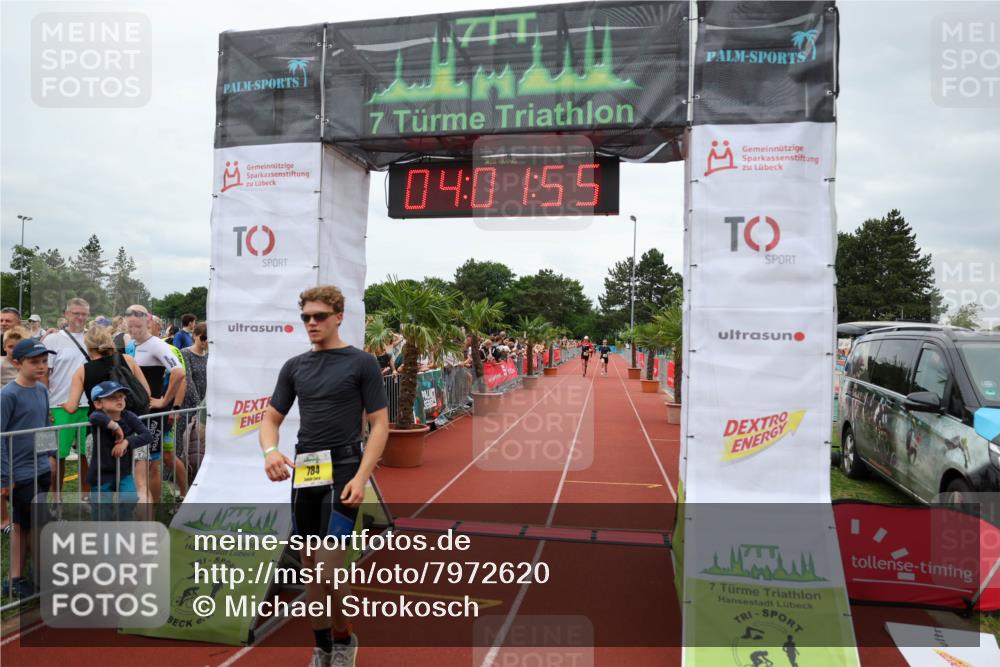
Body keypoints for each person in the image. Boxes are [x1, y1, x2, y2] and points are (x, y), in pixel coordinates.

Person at [260, 285, 388, 667]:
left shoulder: (362, 363)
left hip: (345, 470)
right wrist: (270, 451)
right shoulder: (295, 367)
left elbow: (380, 424)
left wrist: (362, 477)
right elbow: (270, 418)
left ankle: (344, 637)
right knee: (312, 573)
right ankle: (323, 647)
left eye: (319, 316)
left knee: (329, 572)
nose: (311, 323)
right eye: (306, 317)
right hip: (306, 472)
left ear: (338, 317)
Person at [61, 326, 152, 505]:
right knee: (140, 484)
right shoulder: (128, 360)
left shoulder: (83, 371)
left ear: (88, 347)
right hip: (132, 429)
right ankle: (144, 521)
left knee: (103, 486)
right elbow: (146, 392)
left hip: (99, 436)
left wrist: (64, 405)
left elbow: (71, 407)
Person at [0, 339, 56, 598]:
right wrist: (4, 476)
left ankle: (16, 578)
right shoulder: (8, 395)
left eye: (44, 361)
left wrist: (50, 456)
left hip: (41, 468)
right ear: (17, 363)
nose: (41, 366)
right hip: (20, 473)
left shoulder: (42, 390)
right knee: (36, 524)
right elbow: (1, 437)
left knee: (23, 524)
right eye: (34, 362)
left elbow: (45, 424)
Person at [124, 305, 185, 504]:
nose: (134, 329)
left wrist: (165, 401)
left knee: (151, 464)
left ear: (147, 322)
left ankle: (153, 511)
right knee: (137, 463)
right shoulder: (131, 345)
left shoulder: (157, 345)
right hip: (134, 414)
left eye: (138, 325)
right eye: (130, 326)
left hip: (152, 416)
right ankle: (141, 507)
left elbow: (179, 372)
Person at [44, 297, 93, 499]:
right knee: (58, 456)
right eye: (76, 313)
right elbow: (45, 374)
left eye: (84, 314)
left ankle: (86, 496)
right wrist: (45, 406)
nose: (80, 317)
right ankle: (57, 499)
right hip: (59, 406)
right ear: (66, 314)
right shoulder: (52, 340)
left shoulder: (92, 339)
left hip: (89, 405)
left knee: (86, 454)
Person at [87, 381, 151, 518]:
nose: (119, 400)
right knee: (102, 510)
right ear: (98, 404)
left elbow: (147, 435)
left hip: (124, 471)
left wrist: (127, 442)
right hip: (101, 473)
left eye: (121, 396)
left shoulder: (129, 416)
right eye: (112, 397)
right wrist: (115, 426)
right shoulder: (98, 416)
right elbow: (93, 416)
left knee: (130, 498)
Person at [178, 323, 208, 481]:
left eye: (209, 339)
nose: (205, 341)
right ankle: (179, 478)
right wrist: (199, 405)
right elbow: (188, 381)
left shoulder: (209, 356)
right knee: (185, 444)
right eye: (203, 337)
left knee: (199, 445)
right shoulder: (185, 353)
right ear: (195, 335)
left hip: (205, 406)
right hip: (189, 406)